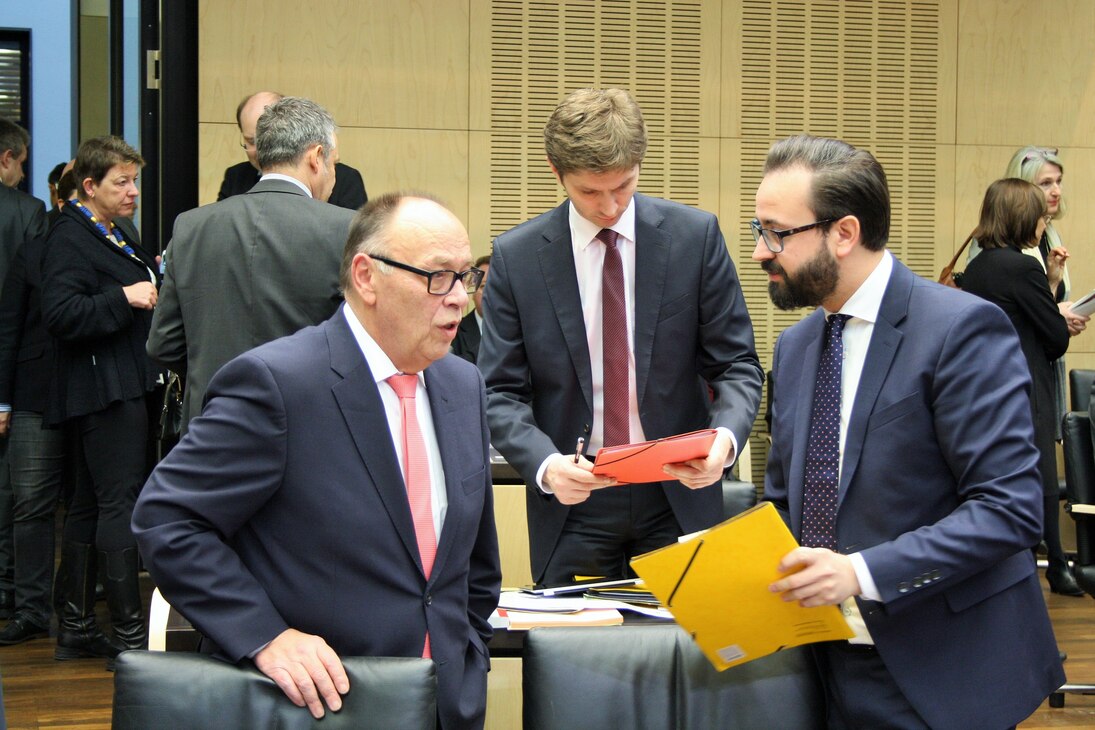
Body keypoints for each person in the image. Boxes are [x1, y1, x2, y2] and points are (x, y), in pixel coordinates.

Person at [133, 192, 500, 729]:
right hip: (323, 706)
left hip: (448, 703)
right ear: (367, 276)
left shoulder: (462, 383)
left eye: (464, 277)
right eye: (437, 277)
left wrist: (470, 647)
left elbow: (472, 562)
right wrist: (264, 635)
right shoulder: (279, 384)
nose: (458, 300)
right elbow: (168, 520)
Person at [755, 134, 1063, 728]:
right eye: (759, 230)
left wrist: (860, 573)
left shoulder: (962, 329)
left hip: (940, 668)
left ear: (843, 234)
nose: (762, 252)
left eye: (777, 233)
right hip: (816, 666)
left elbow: (1010, 508)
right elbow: (786, 502)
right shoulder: (795, 347)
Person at [479, 88, 763, 588]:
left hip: (678, 490)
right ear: (555, 170)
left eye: (624, 186)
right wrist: (545, 465)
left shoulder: (694, 239)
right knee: (576, 657)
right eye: (590, 192)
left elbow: (736, 364)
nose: (610, 206)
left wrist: (725, 438)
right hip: (575, 499)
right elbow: (499, 392)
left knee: (692, 652)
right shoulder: (517, 257)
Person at [148, 97, 355, 433]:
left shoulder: (190, 227)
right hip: (308, 428)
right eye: (335, 163)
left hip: (211, 428)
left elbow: (163, 344)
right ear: (317, 157)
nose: (334, 176)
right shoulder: (348, 230)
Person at [40, 135, 159, 667]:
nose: (134, 190)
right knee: (119, 502)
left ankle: (78, 626)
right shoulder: (69, 234)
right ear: (89, 187)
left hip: (117, 382)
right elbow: (61, 314)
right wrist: (124, 297)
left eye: (135, 179)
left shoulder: (116, 230)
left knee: (90, 504)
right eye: (122, 182)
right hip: (102, 388)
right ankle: (131, 638)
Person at [962, 179, 1081, 600]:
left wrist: (1049, 293)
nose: (1041, 223)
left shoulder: (978, 268)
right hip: (1026, 393)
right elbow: (1054, 339)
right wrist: (1059, 313)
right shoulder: (1022, 267)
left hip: (986, 397)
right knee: (1038, 491)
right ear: (1023, 218)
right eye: (1039, 216)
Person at [0, 166, 79, 645]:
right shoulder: (33, 252)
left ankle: (77, 609)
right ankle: (31, 610)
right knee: (30, 505)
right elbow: (8, 328)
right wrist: (3, 400)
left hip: (90, 393)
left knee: (83, 507)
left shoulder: (120, 245)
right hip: (32, 394)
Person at [0, 117, 48, 621]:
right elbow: (31, 302)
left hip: (14, 364)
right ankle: (15, 593)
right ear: (7, 158)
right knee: (19, 493)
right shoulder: (28, 213)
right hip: (22, 363)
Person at [217, 91, 367, 210]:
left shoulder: (345, 179)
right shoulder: (235, 177)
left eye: (266, 138)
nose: (261, 148)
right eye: (251, 141)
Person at [451, 254, 491, 364]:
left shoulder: (517, 332)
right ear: (472, 291)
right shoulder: (453, 331)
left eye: (496, 288)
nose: (490, 294)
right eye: (483, 286)